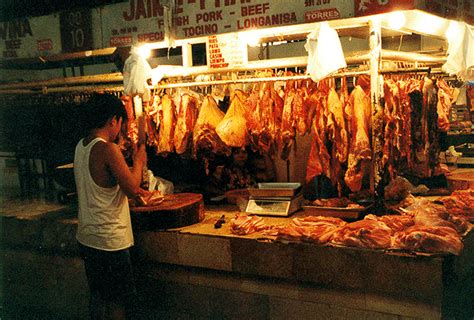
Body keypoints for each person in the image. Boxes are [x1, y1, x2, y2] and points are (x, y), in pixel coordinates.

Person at [74, 93, 147, 320]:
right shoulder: (107, 149)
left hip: (88, 238)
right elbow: (132, 189)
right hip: (109, 241)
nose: (120, 129)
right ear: (113, 120)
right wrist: (139, 162)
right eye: (121, 123)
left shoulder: (81, 146)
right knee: (117, 301)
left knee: (98, 296)